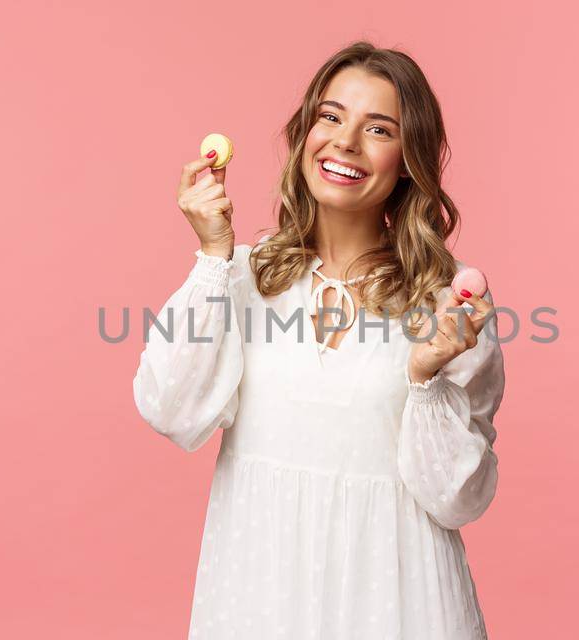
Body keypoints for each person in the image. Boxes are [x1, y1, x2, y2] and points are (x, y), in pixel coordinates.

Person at [133, 41, 504, 639]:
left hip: (399, 605)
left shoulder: (445, 309)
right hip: (260, 598)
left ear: (409, 159)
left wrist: (427, 373)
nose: (345, 143)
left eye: (378, 129)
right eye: (330, 117)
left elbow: (457, 499)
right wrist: (211, 256)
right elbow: (171, 410)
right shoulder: (239, 279)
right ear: (305, 133)